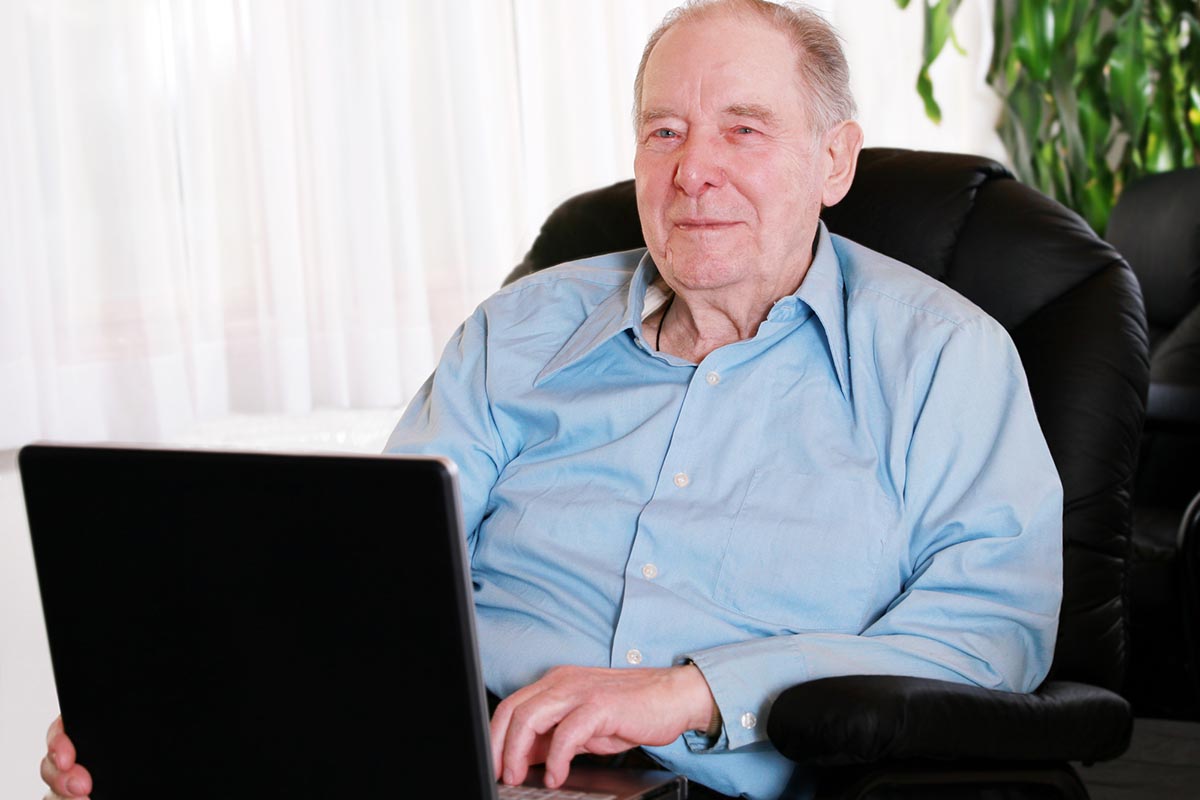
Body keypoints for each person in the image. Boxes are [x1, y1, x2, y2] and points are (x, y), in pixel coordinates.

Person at [40, 1, 1064, 799]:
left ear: (832, 160)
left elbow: (988, 636)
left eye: (743, 130)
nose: (693, 170)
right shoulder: (519, 330)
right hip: (455, 765)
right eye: (664, 131)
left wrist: (689, 690)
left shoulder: (943, 360)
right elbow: (355, 575)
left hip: (724, 780)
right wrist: (176, 701)